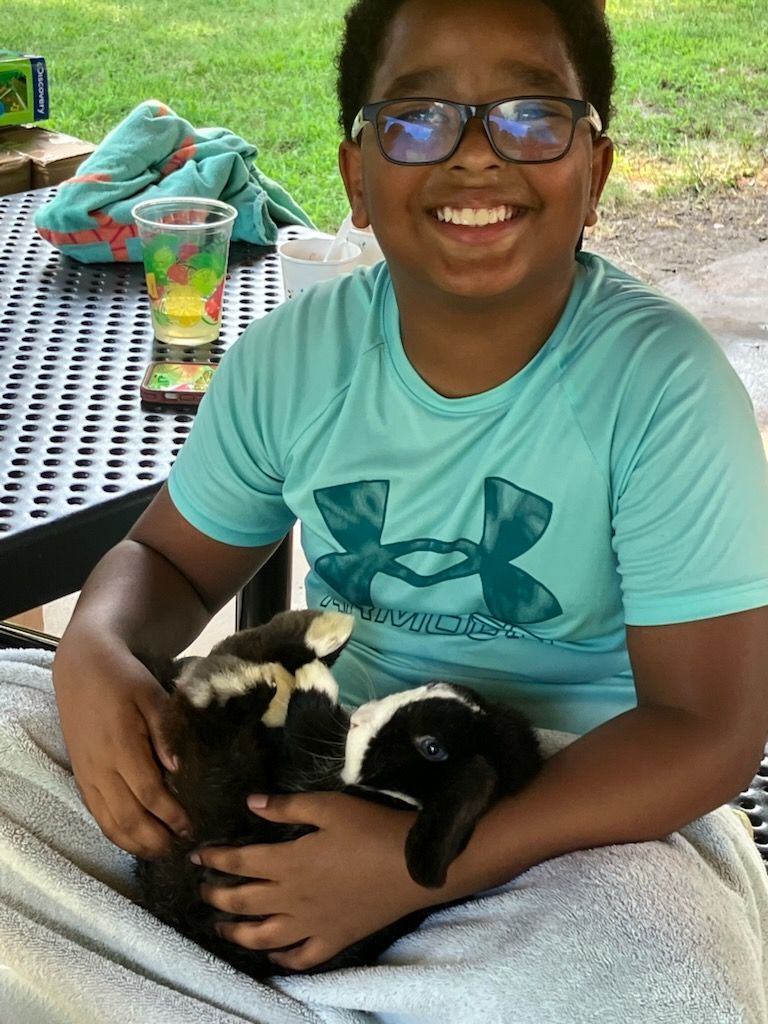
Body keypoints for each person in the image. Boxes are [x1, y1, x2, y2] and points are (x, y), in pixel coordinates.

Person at [52, 0, 768, 1011]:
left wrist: (426, 860)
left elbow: (707, 728)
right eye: (419, 116)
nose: (476, 155)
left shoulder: (660, 387)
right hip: (334, 745)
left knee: (669, 972)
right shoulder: (298, 359)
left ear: (596, 171)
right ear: (355, 175)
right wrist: (95, 644)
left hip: (576, 805)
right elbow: (167, 566)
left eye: (530, 113)